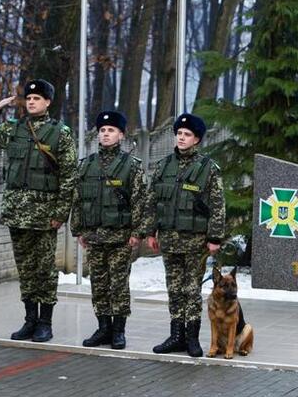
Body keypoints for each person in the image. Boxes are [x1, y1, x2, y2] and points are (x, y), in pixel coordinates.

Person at [0, 79, 77, 343]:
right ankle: (29, 320)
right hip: (16, 212)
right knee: (26, 269)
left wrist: (60, 212)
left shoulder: (60, 133)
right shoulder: (14, 128)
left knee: (44, 269)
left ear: (48, 102)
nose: (31, 102)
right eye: (29, 99)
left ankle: (45, 322)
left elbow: (69, 176)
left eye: (37, 99)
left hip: (44, 214)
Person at [144, 113, 225, 358]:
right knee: (174, 288)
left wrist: (215, 238)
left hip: (195, 240)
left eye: (187, 135)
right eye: (179, 134)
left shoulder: (208, 169)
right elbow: (152, 200)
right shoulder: (163, 166)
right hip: (168, 238)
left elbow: (218, 204)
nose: (181, 138)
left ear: (197, 139)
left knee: (191, 289)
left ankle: (192, 338)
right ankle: (175, 335)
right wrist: (150, 230)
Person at [70, 111, 147, 349]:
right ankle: (103, 328)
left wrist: (137, 232)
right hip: (93, 235)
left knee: (119, 284)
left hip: (120, 237)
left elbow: (140, 200)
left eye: (111, 130)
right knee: (99, 284)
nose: (105, 134)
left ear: (121, 135)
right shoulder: (86, 165)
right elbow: (78, 199)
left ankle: (118, 331)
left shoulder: (131, 166)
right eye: (102, 130)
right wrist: (78, 230)